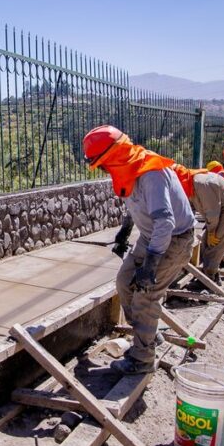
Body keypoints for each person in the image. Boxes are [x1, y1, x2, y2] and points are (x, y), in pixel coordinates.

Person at [83, 125, 195, 375]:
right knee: (124, 282)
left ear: (113, 156)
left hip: (175, 239)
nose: (101, 169)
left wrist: (151, 264)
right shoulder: (128, 170)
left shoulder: (150, 173)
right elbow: (135, 204)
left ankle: (142, 359)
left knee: (146, 293)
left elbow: (165, 222)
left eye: (102, 163)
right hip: (150, 236)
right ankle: (148, 337)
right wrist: (124, 233)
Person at [171, 164, 224, 284]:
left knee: (215, 244)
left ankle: (209, 280)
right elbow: (189, 209)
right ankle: (211, 273)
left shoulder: (202, 184)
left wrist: (211, 231)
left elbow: (212, 212)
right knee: (205, 243)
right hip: (221, 211)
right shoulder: (190, 183)